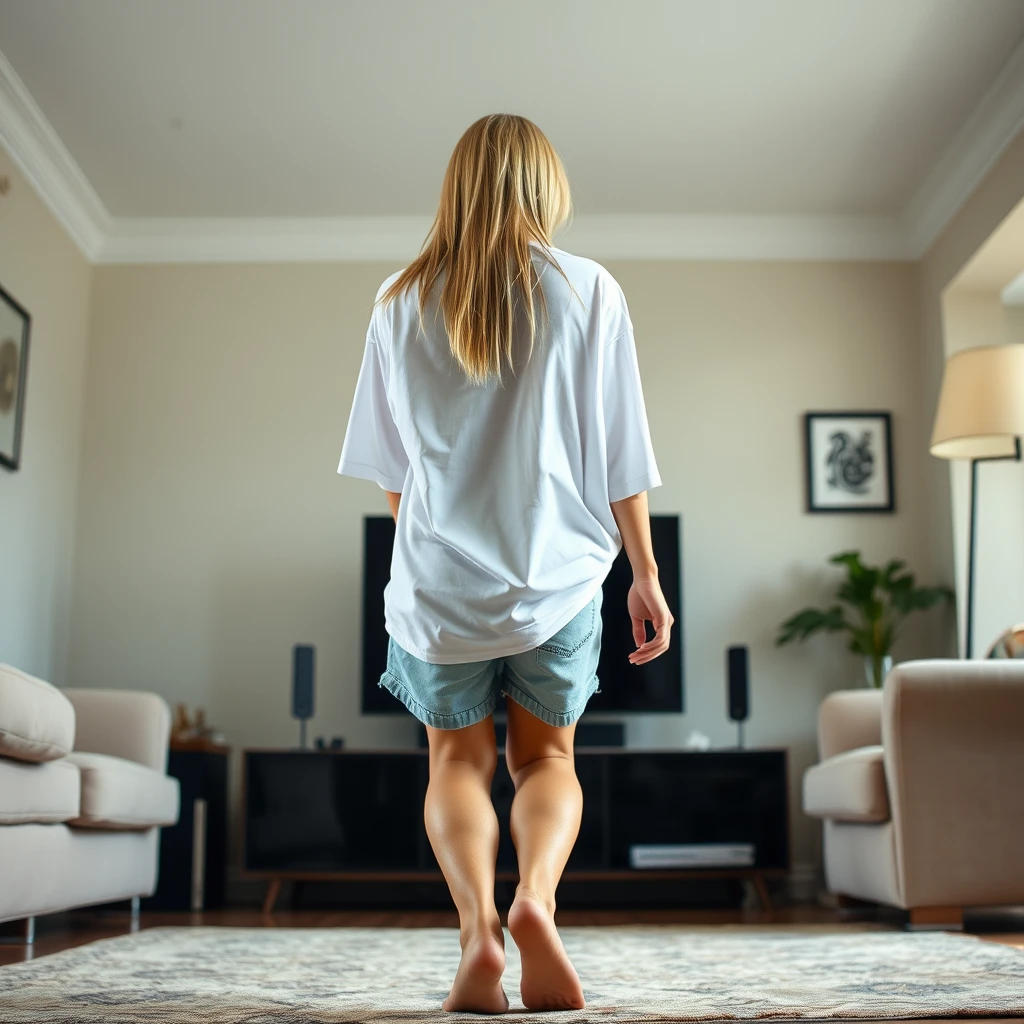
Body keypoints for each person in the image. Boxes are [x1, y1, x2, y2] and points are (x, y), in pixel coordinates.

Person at [338, 113, 672, 1014]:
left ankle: (478, 928)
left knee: (453, 765)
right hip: (558, 586)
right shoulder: (590, 287)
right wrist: (643, 573)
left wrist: (431, 556)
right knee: (544, 762)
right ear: (544, 186)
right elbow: (622, 455)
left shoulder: (396, 300)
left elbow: (392, 475)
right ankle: (536, 901)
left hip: (440, 594)